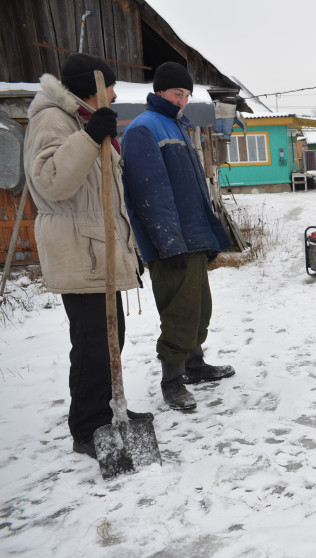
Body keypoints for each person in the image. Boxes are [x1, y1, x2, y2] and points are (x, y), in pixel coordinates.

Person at [23, 53, 152, 459]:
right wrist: (90, 137)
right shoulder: (52, 120)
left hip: (98, 249)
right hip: (79, 252)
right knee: (92, 343)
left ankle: (109, 407)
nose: (114, 94)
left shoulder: (80, 119)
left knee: (111, 339)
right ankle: (87, 427)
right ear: (91, 90)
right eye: (109, 87)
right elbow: (51, 182)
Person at [121, 62, 234, 412]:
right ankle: (172, 381)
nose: (183, 100)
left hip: (193, 236)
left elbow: (193, 189)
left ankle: (195, 366)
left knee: (199, 309)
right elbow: (150, 194)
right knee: (179, 312)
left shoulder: (177, 125)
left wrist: (209, 237)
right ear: (158, 92)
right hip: (171, 242)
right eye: (176, 93)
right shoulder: (143, 129)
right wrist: (168, 245)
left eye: (186, 94)